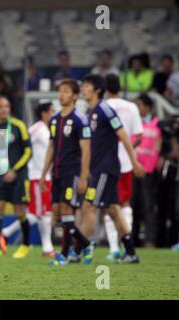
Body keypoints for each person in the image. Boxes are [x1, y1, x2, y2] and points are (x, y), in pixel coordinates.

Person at [79, 74, 144, 264]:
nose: (83, 88)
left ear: (97, 90)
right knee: (114, 210)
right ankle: (130, 252)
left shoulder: (106, 110)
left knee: (89, 206)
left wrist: (134, 162)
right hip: (98, 168)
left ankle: (76, 250)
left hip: (106, 169)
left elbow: (123, 135)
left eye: (86, 85)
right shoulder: (90, 113)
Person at [39, 79, 93, 266]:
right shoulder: (54, 120)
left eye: (66, 91)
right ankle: (86, 243)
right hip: (57, 172)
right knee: (56, 213)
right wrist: (43, 173)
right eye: (60, 91)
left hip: (73, 172)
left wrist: (84, 177)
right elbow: (51, 147)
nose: (61, 94)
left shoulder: (80, 120)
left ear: (75, 96)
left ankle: (64, 255)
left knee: (65, 210)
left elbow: (86, 150)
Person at [1, 102, 55, 257]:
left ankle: (7, 232)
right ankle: (47, 248)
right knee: (41, 213)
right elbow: (21, 142)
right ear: (44, 113)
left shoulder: (47, 130)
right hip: (36, 176)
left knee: (42, 212)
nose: (53, 114)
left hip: (46, 176)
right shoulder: (37, 128)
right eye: (51, 111)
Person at [103, 74, 143, 260]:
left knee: (108, 205)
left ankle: (114, 249)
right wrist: (128, 150)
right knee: (125, 204)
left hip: (106, 162)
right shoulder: (131, 107)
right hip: (126, 163)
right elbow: (139, 136)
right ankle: (128, 244)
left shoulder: (103, 107)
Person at [0, 96, 32, 259]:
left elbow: (28, 151)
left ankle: (26, 245)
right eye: (0, 106)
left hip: (18, 175)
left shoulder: (19, 126)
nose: (4, 109)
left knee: (19, 210)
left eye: (6, 106)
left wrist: (14, 170)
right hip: (0, 175)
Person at [132, 94, 162, 248]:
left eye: (140, 105)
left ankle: (150, 240)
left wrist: (149, 168)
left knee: (148, 206)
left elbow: (157, 148)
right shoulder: (134, 123)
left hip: (147, 172)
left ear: (148, 107)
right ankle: (132, 239)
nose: (138, 108)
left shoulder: (157, 125)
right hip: (133, 169)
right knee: (133, 206)